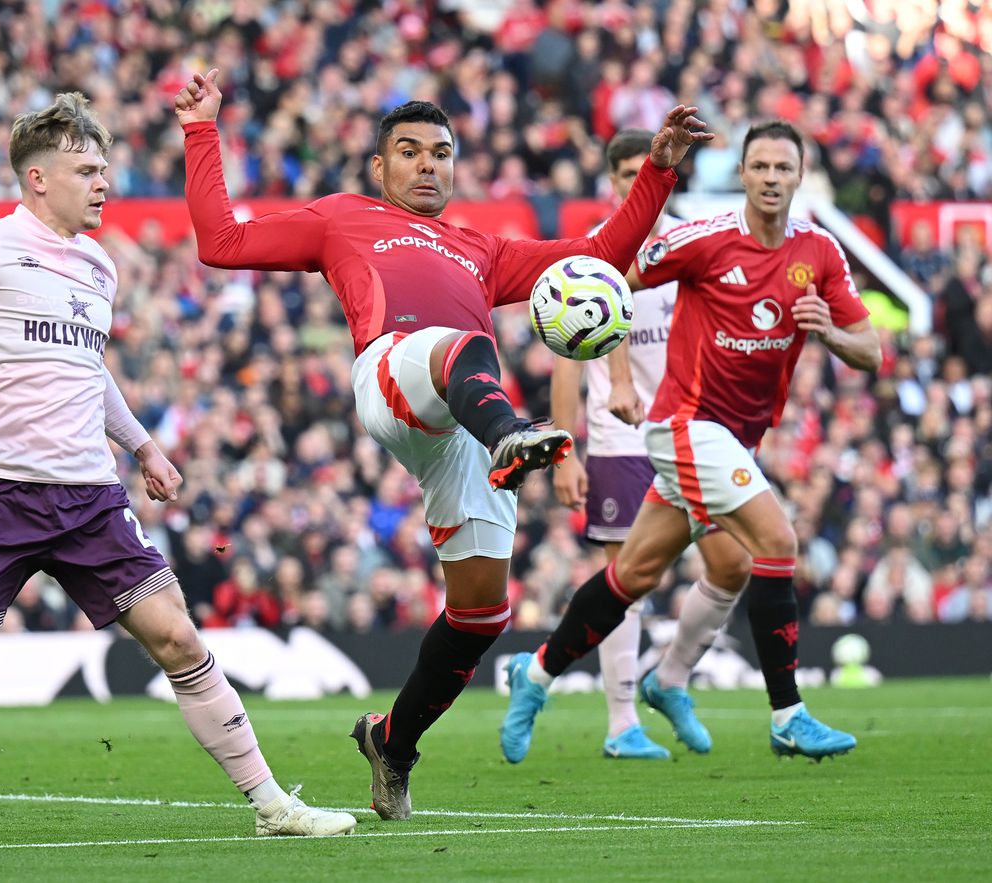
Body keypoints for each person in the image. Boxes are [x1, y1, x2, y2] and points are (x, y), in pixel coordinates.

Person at [175, 67, 712, 818]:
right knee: (459, 346)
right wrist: (201, 129)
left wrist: (657, 171)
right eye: (410, 152)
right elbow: (222, 241)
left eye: (441, 152)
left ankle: (392, 743)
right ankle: (512, 436)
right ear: (379, 166)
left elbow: (596, 256)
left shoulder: (479, 249)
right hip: (396, 372)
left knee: (481, 613)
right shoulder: (343, 216)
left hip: (463, 418)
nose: (428, 164)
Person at [0, 93, 354, 841]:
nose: (104, 182)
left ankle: (272, 805)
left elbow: (88, 371)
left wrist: (144, 446)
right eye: (86, 170)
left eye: (104, 168)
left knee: (179, 638)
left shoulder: (99, 267)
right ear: (38, 178)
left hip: (89, 498)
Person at [500, 120, 881, 762]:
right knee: (777, 542)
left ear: (800, 175)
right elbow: (611, 279)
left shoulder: (819, 252)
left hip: (736, 438)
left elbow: (870, 349)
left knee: (636, 574)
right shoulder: (702, 240)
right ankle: (787, 714)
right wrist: (583, 327)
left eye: (782, 168)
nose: (770, 178)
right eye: (759, 166)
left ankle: (537, 675)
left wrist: (831, 333)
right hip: (683, 424)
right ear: (742, 173)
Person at [502, 129, 753, 763]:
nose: (637, 184)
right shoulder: (589, 259)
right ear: (612, 182)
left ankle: (669, 678)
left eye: (648, 172)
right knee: (629, 580)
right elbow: (566, 360)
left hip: (691, 430)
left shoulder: (689, 247)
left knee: (731, 563)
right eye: (626, 174)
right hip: (621, 439)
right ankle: (621, 724)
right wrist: (564, 451)